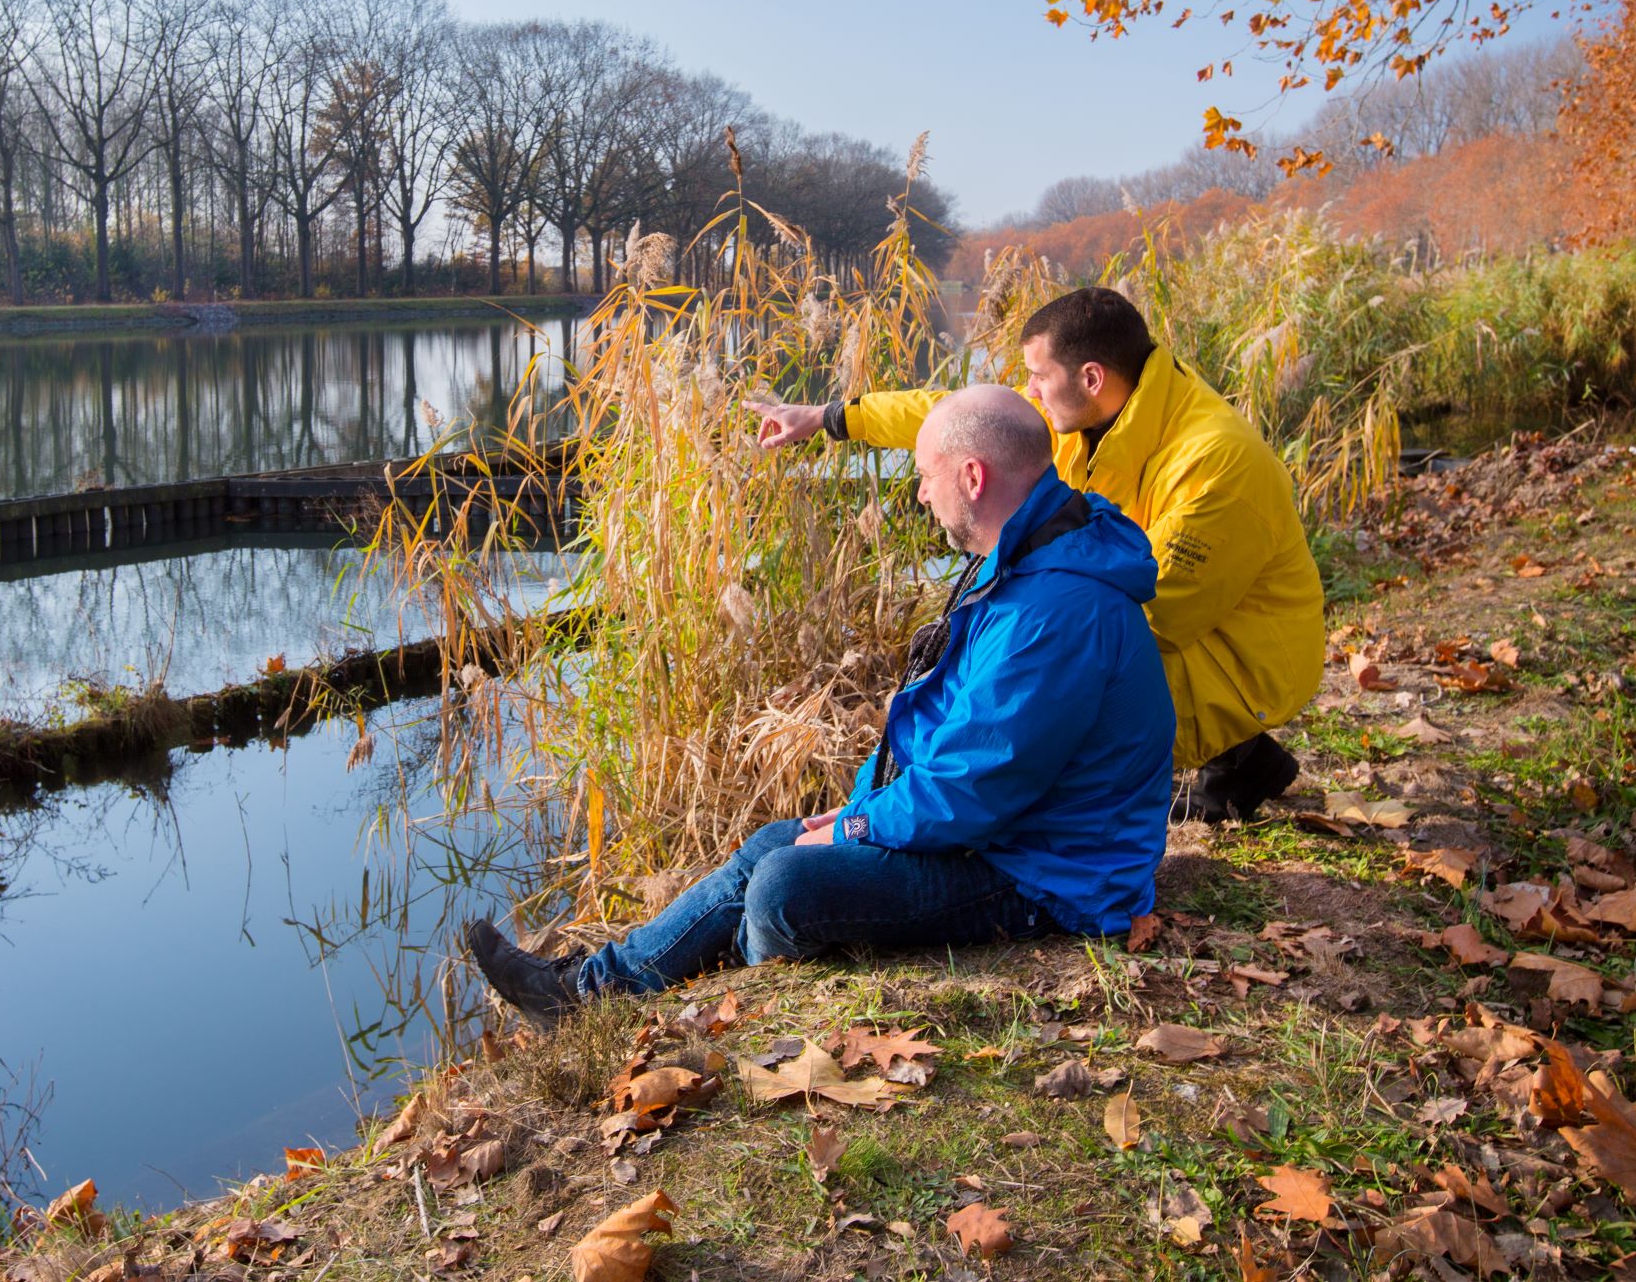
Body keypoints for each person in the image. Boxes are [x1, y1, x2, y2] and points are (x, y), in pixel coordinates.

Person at [462, 385, 1175, 1021]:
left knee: (784, 885)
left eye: (926, 476)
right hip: (1016, 837)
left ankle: (747, 1000)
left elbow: (973, 788)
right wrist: (857, 813)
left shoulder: (1052, 609)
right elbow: (939, 730)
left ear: (971, 476)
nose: (921, 494)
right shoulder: (1027, 561)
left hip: (1052, 879)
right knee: (775, 841)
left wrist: (857, 828)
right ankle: (585, 990)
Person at [745, 287, 1324, 822]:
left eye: (1037, 377)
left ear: (1091, 377)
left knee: (1048, 690)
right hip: (1192, 625)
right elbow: (963, 418)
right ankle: (1244, 761)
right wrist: (829, 418)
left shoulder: (1215, 464)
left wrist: (1013, 648)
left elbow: (1153, 620)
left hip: (1245, 658)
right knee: (1029, 643)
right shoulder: (1094, 407)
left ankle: (1201, 758)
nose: (1029, 391)